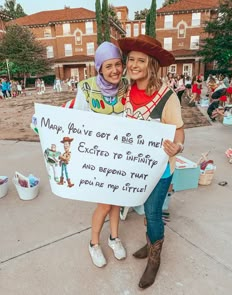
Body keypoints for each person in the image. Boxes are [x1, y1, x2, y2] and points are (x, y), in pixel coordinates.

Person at [118, 34, 185, 289]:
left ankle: (154, 258)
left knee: (153, 213)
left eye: (140, 60)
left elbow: (179, 130)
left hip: (159, 169)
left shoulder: (167, 97)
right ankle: (149, 244)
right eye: (131, 59)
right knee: (144, 209)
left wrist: (177, 146)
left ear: (152, 64)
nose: (133, 64)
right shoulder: (127, 91)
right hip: (136, 166)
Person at [63, 41, 128, 267]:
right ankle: (93, 243)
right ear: (99, 68)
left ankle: (114, 238)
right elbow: (76, 122)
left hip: (123, 157)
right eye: (108, 66)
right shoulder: (86, 87)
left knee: (118, 202)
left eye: (118, 64)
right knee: (104, 204)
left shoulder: (128, 86)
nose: (114, 70)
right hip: (98, 159)